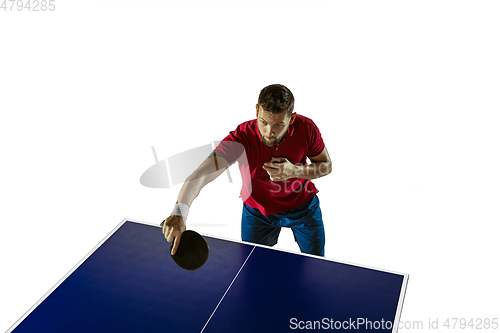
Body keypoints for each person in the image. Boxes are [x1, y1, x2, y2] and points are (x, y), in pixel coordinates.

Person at [162, 84, 332, 256]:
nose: (269, 132)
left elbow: (326, 165)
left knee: (316, 264)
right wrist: (179, 212)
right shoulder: (242, 137)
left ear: (292, 118)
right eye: (264, 122)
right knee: (252, 268)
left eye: (278, 125)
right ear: (257, 110)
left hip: (303, 207)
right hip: (257, 212)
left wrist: (294, 171)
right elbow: (201, 175)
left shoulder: (307, 128)